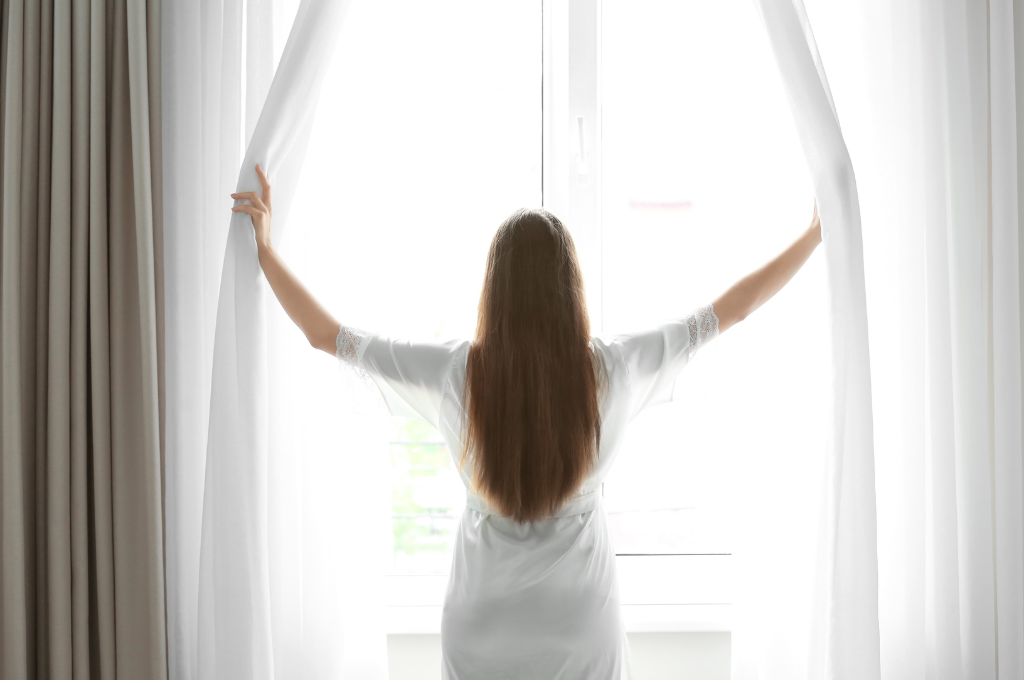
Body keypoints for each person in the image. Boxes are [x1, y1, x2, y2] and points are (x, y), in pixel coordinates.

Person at [231, 163, 823, 679]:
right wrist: (816, 234)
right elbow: (728, 311)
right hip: (578, 625)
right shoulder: (609, 372)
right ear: (570, 290)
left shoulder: (456, 373)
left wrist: (265, 250)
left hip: (480, 627)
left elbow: (326, 336)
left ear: (495, 288)